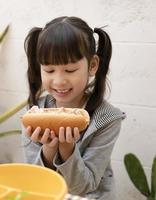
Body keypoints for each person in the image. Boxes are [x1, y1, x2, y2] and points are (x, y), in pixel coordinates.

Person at [22, 16, 126, 200]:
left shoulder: (108, 119)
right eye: (49, 70)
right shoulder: (32, 113)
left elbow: (84, 187)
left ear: (92, 65)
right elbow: (37, 181)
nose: (59, 81)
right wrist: (48, 149)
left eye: (70, 70)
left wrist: (67, 148)